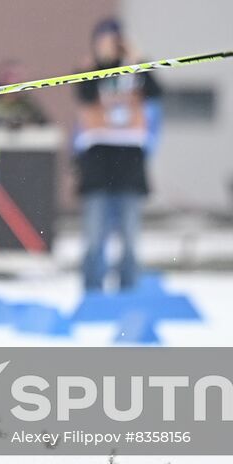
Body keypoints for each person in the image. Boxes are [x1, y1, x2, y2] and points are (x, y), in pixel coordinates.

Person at [72, 18, 161, 292]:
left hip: (130, 156)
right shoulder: (90, 68)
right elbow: (85, 94)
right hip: (98, 155)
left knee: (130, 232)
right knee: (94, 232)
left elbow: (157, 93)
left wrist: (138, 60)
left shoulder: (137, 68)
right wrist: (101, 62)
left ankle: (129, 289)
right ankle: (93, 290)